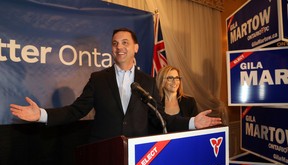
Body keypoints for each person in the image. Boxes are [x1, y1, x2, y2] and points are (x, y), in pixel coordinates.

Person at [10, 28, 222, 143]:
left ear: (136, 48)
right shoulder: (98, 79)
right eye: (115, 43)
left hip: (139, 155)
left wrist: (193, 122)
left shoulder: (147, 81)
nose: (119, 47)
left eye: (125, 42)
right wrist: (42, 115)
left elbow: (161, 118)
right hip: (104, 151)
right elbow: (76, 110)